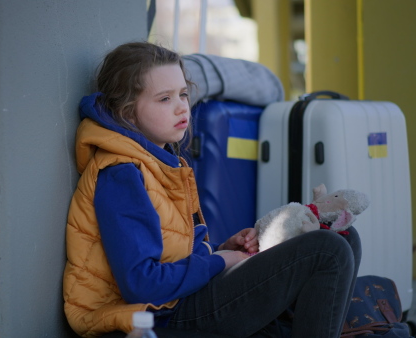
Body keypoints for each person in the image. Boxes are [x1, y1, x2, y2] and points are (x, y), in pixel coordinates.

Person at [63, 41, 361, 338]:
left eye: (183, 94)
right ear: (128, 113)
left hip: (181, 299)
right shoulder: (122, 174)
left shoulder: (160, 160)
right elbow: (142, 284)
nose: (182, 107)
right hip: (157, 315)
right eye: (164, 99)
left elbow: (177, 251)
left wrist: (221, 248)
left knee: (342, 237)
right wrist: (220, 262)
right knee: (327, 250)